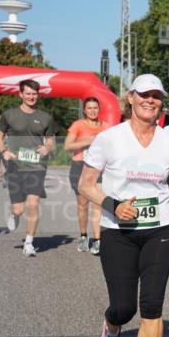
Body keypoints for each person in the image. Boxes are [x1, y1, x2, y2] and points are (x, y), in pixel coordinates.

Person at [78, 74, 169, 337]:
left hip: (160, 231)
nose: (150, 100)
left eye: (156, 96)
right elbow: (86, 184)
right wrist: (113, 205)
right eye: (144, 94)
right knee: (125, 308)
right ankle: (112, 327)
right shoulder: (110, 139)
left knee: (152, 306)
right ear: (130, 97)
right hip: (118, 233)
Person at [0, 79, 57, 257]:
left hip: (36, 166)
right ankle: (14, 215)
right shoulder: (9, 115)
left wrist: (47, 147)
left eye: (35, 94)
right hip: (14, 165)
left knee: (33, 204)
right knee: (19, 209)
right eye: (28, 93)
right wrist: (4, 151)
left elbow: (51, 140)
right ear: (21, 94)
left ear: (38, 95)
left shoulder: (46, 117)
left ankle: (29, 242)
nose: (31, 97)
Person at [64, 97, 111, 254]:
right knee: (83, 205)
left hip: (99, 169)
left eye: (95, 108)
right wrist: (88, 140)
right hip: (80, 167)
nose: (92, 111)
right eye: (89, 108)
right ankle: (84, 236)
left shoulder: (106, 127)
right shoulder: (78, 125)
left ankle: (97, 240)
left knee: (98, 204)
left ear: (99, 109)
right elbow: (67, 146)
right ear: (84, 110)